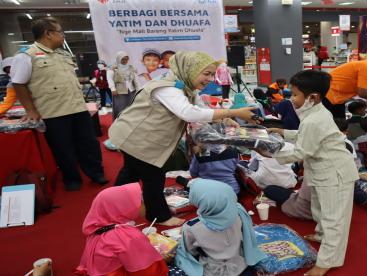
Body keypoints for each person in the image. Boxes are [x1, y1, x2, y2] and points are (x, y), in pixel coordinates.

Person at [109, 51, 259, 226]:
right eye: (206, 73)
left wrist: (225, 119)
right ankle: (159, 215)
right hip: (138, 138)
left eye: (212, 74)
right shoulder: (168, 87)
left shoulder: (184, 86)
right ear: (190, 70)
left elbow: (199, 107)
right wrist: (232, 111)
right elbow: (188, 113)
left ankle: (113, 206)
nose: (210, 79)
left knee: (131, 173)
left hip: (138, 137)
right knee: (153, 178)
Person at [267, 70, 359, 276]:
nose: (291, 99)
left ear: (313, 97)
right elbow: (305, 134)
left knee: (334, 218)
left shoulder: (314, 119)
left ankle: (327, 262)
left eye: (295, 95)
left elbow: (302, 151)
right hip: (321, 170)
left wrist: (269, 152)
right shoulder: (315, 113)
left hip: (335, 173)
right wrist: (283, 132)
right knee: (319, 208)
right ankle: (321, 234)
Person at [11, 17, 107, 191]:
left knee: (89, 143)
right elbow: (18, 83)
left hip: (77, 107)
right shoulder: (26, 56)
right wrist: (30, 109)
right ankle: (72, 179)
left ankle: (96, 173)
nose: (63, 35)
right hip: (53, 111)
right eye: (60, 32)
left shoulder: (63, 54)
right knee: (63, 148)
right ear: (48, 34)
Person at [175, 178, 267, 276]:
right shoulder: (239, 213)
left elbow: (190, 251)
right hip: (241, 265)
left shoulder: (191, 227)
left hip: (213, 271)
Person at [76, 183, 170, 276]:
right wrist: (161, 259)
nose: (144, 204)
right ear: (124, 206)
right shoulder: (128, 236)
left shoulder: (97, 229)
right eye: (140, 201)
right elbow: (149, 272)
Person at [107, 51, 139, 120]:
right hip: (119, 91)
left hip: (131, 90)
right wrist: (113, 89)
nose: (125, 61)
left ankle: (131, 121)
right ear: (118, 59)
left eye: (126, 59)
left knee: (131, 106)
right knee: (120, 107)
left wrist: (138, 89)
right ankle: (119, 121)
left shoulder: (131, 68)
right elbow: (110, 79)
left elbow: (136, 79)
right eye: (123, 59)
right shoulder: (112, 68)